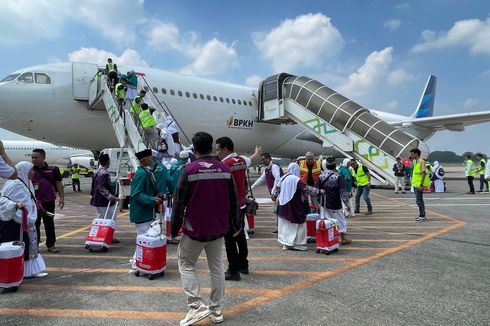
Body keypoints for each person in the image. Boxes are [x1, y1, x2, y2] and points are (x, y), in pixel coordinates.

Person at [171, 132, 240, 326]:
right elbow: (234, 201)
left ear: (194, 149)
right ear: (212, 147)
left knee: (185, 263)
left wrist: (174, 230)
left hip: (195, 230)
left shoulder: (189, 169)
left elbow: (179, 203)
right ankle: (216, 310)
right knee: (216, 268)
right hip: (219, 229)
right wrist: (236, 226)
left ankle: (195, 306)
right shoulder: (225, 169)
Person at [215, 136, 262, 281]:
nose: (216, 153)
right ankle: (243, 265)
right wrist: (257, 152)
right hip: (241, 205)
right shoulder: (241, 160)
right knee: (240, 235)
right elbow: (252, 159)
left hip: (229, 207)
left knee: (229, 239)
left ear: (225, 149)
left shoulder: (224, 165)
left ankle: (233, 270)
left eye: (218, 149)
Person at [0, 161, 48, 279]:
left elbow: (29, 199)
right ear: (23, 171)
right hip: (14, 222)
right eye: (31, 170)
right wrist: (15, 205)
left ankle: (29, 271)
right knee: (21, 246)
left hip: (25, 221)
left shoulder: (26, 183)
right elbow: (3, 200)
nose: (33, 172)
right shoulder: (14, 184)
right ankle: (20, 272)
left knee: (28, 246)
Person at [274, 162, 321, 251]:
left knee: (285, 225)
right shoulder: (296, 180)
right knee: (299, 225)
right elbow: (307, 189)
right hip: (294, 205)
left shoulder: (283, 177)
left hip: (283, 205)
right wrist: (319, 191)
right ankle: (298, 244)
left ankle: (286, 243)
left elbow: (276, 191)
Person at [31, 149, 64, 253]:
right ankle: (34, 246)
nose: (34, 159)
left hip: (49, 201)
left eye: (36, 157)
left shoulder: (53, 169)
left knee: (49, 223)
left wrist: (62, 198)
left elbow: (58, 183)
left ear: (43, 157)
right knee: (34, 224)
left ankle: (51, 244)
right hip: (34, 203)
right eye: (32, 157)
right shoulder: (30, 170)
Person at [316, 157, 351, 244]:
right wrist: (347, 205)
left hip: (324, 203)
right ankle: (342, 238)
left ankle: (328, 239)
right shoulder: (338, 177)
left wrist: (318, 202)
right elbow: (343, 193)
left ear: (327, 166)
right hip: (335, 203)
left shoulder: (321, 176)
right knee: (340, 220)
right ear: (335, 165)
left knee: (326, 220)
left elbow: (316, 189)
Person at [129, 149, 161, 238]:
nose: (152, 160)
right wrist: (153, 199)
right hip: (142, 214)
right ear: (145, 160)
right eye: (151, 158)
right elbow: (136, 194)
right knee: (144, 242)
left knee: (147, 243)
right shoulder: (141, 174)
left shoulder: (146, 172)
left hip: (147, 213)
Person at [90, 154, 119, 244]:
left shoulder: (97, 171)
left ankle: (100, 236)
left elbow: (94, 186)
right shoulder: (105, 173)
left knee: (100, 219)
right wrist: (111, 197)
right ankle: (109, 236)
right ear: (107, 162)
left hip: (97, 199)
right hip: (104, 201)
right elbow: (100, 187)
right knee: (109, 219)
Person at [410, 148, 428, 222]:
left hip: (419, 185)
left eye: (412, 154)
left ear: (416, 153)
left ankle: (422, 215)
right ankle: (421, 215)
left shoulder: (421, 161)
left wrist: (421, 185)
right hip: (415, 184)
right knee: (418, 200)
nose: (411, 155)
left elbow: (423, 173)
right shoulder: (415, 161)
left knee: (419, 200)